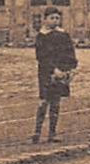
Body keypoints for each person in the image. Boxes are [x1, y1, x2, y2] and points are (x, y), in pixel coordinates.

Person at [33, 7, 77, 143]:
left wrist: (69, 69)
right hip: (46, 73)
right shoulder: (41, 36)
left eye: (57, 18)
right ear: (45, 20)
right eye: (52, 18)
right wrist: (53, 69)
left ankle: (52, 133)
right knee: (44, 101)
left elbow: (70, 53)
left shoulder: (63, 35)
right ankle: (37, 132)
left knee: (56, 102)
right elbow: (41, 57)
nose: (55, 21)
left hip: (61, 73)